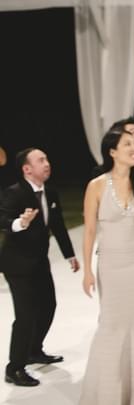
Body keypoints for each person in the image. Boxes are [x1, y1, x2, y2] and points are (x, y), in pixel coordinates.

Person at [79, 130, 134, 404]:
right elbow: (90, 230)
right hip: (112, 263)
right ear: (112, 152)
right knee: (112, 322)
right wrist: (88, 271)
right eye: (127, 144)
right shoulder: (97, 185)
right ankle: (109, 393)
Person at [0, 148, 79, 387]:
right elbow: (2, 219)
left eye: (47, 158)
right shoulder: (14, 193)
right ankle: (14, 367)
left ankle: (34, 350)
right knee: (25, 315)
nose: (47, 163)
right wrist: (19, 223)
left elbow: (58, 225)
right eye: (41, 160)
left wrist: (70, 255)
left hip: (39, 262)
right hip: (17, 264)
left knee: (48, 306)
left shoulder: (50, 192)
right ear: (27, 169)